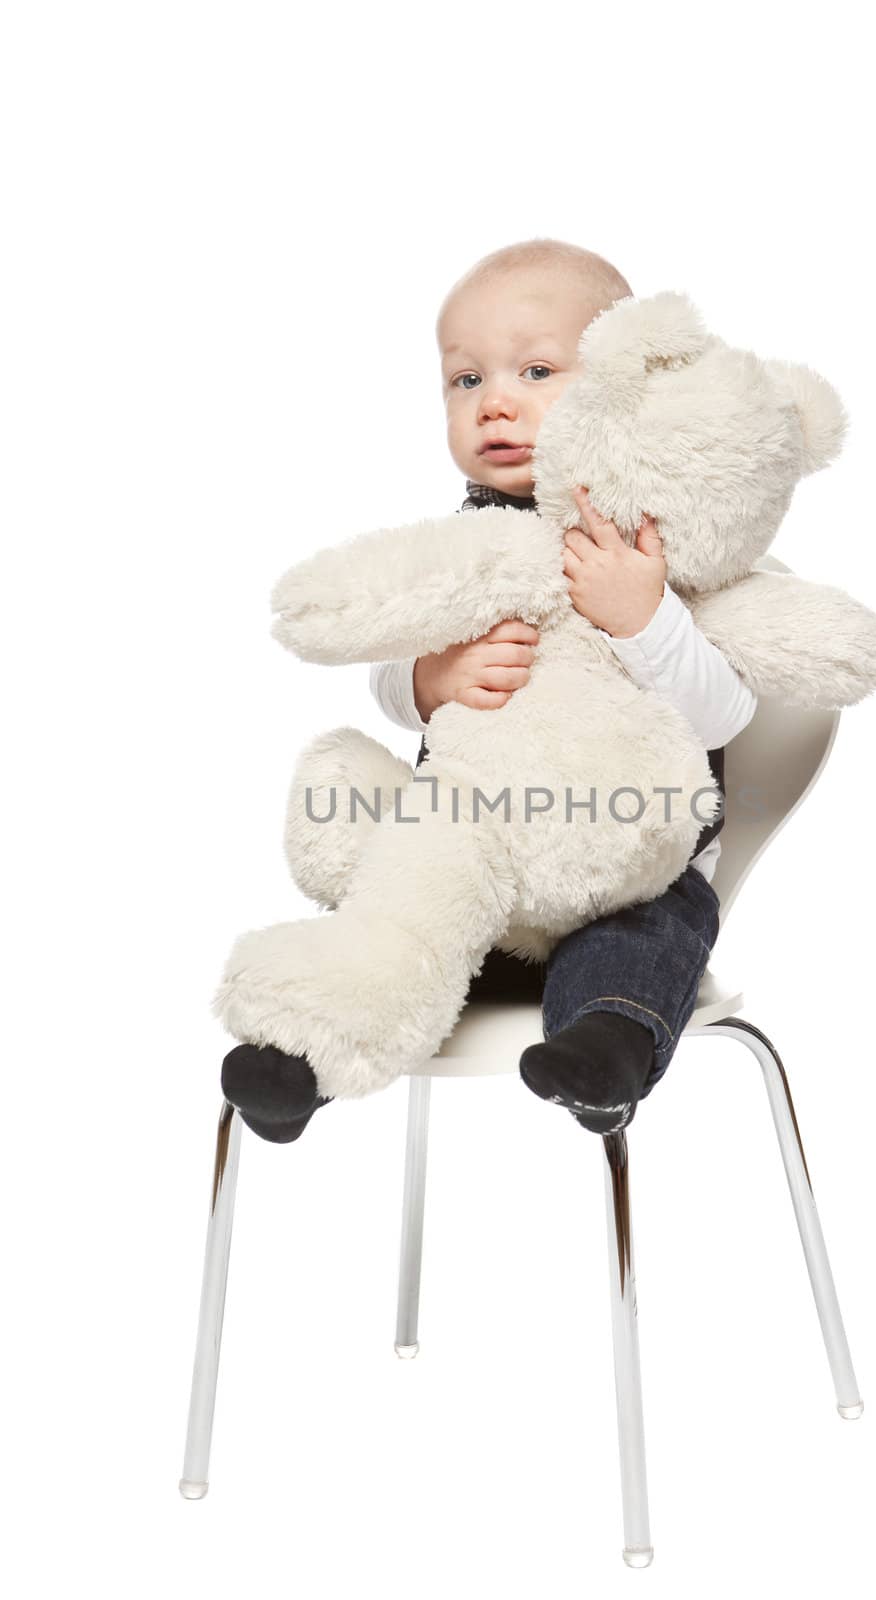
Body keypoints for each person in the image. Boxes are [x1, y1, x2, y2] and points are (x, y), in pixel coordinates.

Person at [221, 238, 757, 1143]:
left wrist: (644, 618)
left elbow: (728, 716)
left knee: (648, 931)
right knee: (405, 883)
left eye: (536, 370)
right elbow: (392, 662)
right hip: (476, 871)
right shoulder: (466, 541)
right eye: (464, 380)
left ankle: (607, 1043)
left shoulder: (657, 536)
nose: (494, 402)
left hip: (623, 872)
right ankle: (313, 1043)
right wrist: (425, 681)